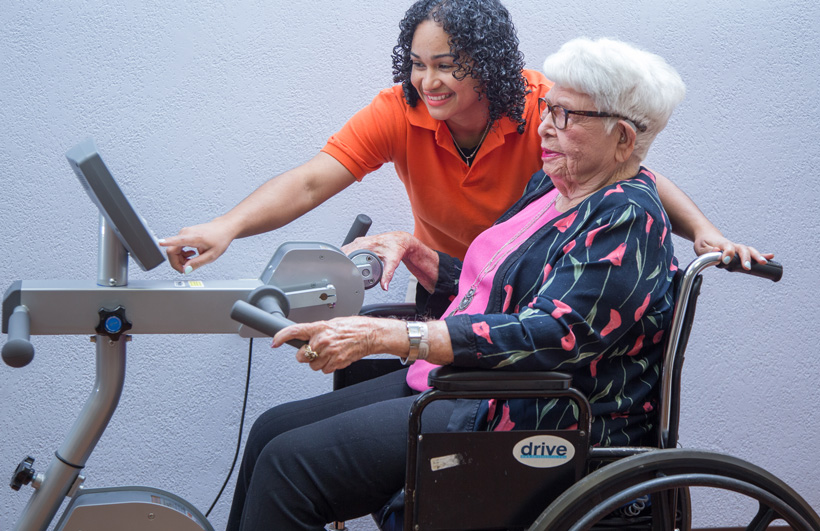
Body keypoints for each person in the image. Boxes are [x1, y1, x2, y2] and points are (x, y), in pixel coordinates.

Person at [227, 36, 691, 530]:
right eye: (548, 108)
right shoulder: (550, 188)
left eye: (565, 116)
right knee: (270, 430)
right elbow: (498, 287)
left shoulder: (625, 218)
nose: (545, 126)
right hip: (468, 382)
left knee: (288, 468)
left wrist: (390, 336)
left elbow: (553, 334)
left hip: (522, 412)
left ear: (623, 139)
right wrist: (421, 255)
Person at [158, 0, 769, 282]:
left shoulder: (541, 105)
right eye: (418, 64)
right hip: (448, 284)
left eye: (447, 66)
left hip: (523, 289)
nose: (429, 81)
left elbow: (630, 170)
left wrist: (704, 232)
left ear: (489, 64)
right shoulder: (399, 111)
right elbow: (313, 179)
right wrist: (226, 227)